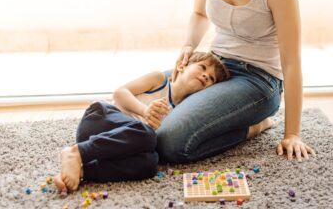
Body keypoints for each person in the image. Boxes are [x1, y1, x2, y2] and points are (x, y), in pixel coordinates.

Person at [156, 0, 316, 164]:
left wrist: (292, 133)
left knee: (169, 141)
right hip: (214, 67)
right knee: (144, 99)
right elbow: (199, 13)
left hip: (258, 79)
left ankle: (253, 127)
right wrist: (189, 45)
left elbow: (292, 61)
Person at [53, 51, 230, 192]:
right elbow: (120, 92)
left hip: (114, 146)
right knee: (146, 134)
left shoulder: (184, 110)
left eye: (212, 78)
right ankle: (76, 152)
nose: (207, 76)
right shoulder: (159, 80)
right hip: (99, 119)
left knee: (150, 163)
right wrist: (145, 111)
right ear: (182, 66)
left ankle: (84, 170)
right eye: (203, 67)